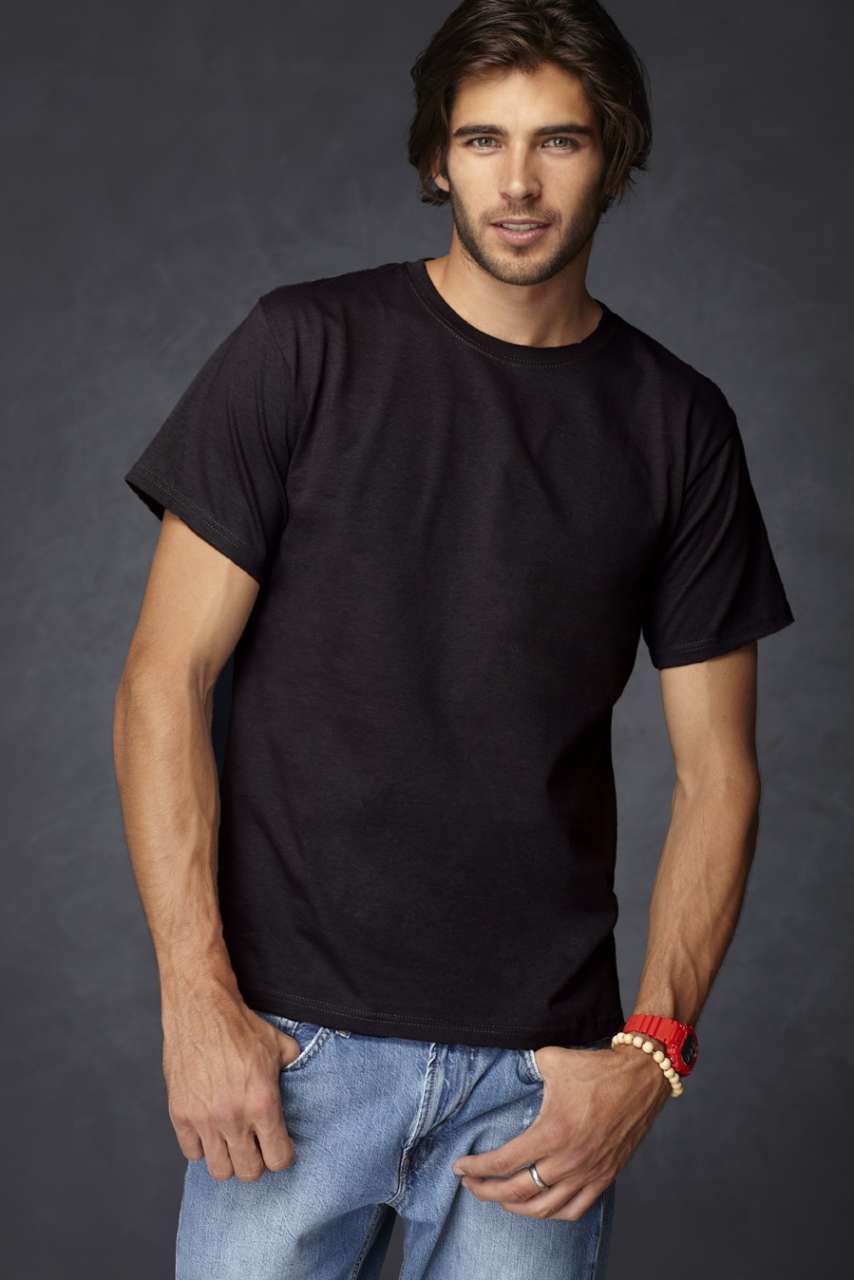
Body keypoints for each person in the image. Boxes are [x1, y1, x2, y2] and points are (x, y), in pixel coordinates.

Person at [113, 2, 795, 1276]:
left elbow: (719, 774)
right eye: (482, 139)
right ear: (436, 156)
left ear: (613, 156)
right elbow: (165, 678)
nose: (517, 182)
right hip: (293, 1052)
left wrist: (649, 1054)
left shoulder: (677, 424)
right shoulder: (303, 348)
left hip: (539, 1081)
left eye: (558, 141)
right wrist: (195, 1002)